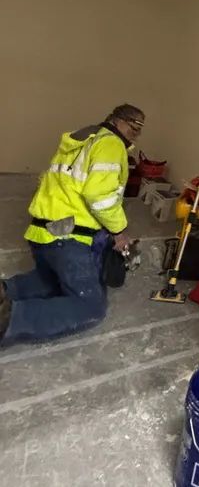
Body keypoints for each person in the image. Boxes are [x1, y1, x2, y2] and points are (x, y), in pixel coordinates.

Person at [0, 104, 145, 345]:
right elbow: (99, 195)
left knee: (49, 282)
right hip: (69, 238)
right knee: (90, 306)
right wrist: (119, 232)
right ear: (116, 120)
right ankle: (8, 320)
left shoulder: (83, 140)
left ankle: (5, 291)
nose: (137, 133)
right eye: (134, 125)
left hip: (42, 232)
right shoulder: (111, 144)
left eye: (140, 128)